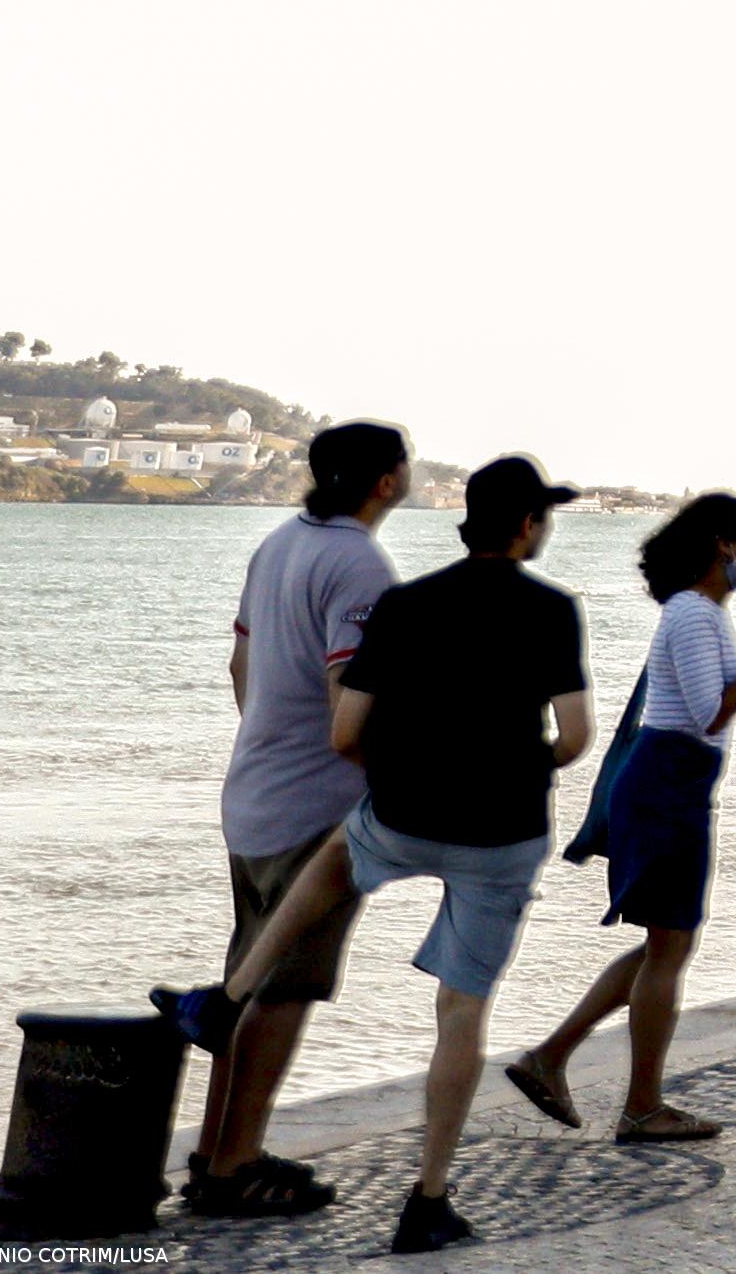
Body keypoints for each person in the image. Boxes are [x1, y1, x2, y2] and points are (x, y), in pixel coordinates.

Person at [179, 456, 592, 1259]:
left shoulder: (403, 603)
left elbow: (344, 733)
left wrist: (414, 765)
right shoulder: (553, 609)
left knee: (335, 859)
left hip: (402, 813)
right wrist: (517, 757)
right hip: (501, 833)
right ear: (526, 525)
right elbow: (573, 737)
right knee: (461, 1013)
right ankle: (428, 1197)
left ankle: (228, 995)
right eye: (543, 515)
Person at [504, 496, 736, 1144]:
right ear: (724, 544)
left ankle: (550, 1057)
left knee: (662, 947)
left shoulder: (703, 613)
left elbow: (714, 698)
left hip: (673, 785)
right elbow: (708, 711)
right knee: (670, 950)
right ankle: (640, 1104)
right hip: (668, 788)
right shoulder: (694, 614)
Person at [174, 420, 408, 1222]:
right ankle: (234, 1165)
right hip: (315, 806)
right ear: (386, 480)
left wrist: (269, 741)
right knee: (285, 988)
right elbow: (352, 699)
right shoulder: (360, 563)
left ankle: (215, 1150)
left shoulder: (278, 544)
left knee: (242, 981)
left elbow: (241, 664)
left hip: (254, 792)